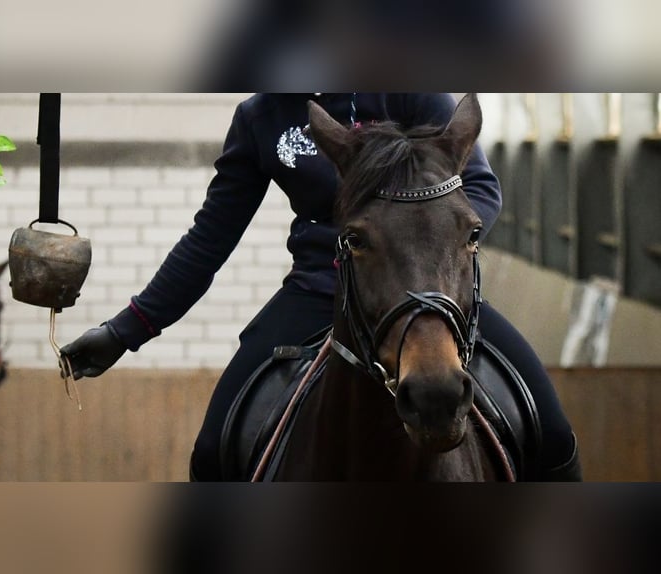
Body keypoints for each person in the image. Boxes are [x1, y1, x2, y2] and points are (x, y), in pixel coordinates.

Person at [60, 93, 581, 482]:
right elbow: (211, 237)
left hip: (427, 288)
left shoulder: (410, 86)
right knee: (214, 450)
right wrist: (126, 330)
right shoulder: (260, 117)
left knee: (552, 431)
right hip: (318, 291)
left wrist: (427, 246)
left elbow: (481, 189)